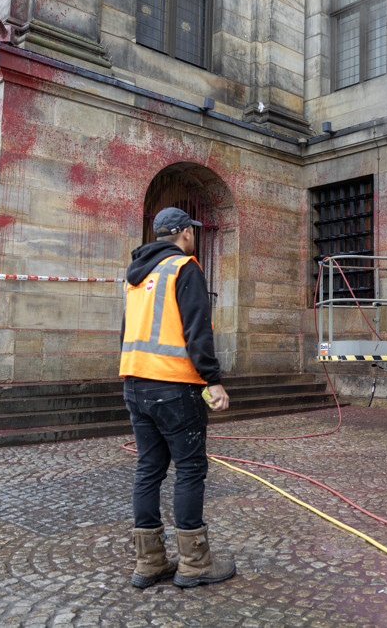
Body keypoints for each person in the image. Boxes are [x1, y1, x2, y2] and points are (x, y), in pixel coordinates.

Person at [119, 207, 236, 589]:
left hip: (135, 383)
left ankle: (150, 561)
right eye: (193, 232)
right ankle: (195, 562)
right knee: (189, 469)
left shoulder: (136, 275)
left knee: (148, 469)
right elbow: (197, 327)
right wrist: (212, 381)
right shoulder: (184, 267)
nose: (194, 237)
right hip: (174, 387)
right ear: (185, 232)